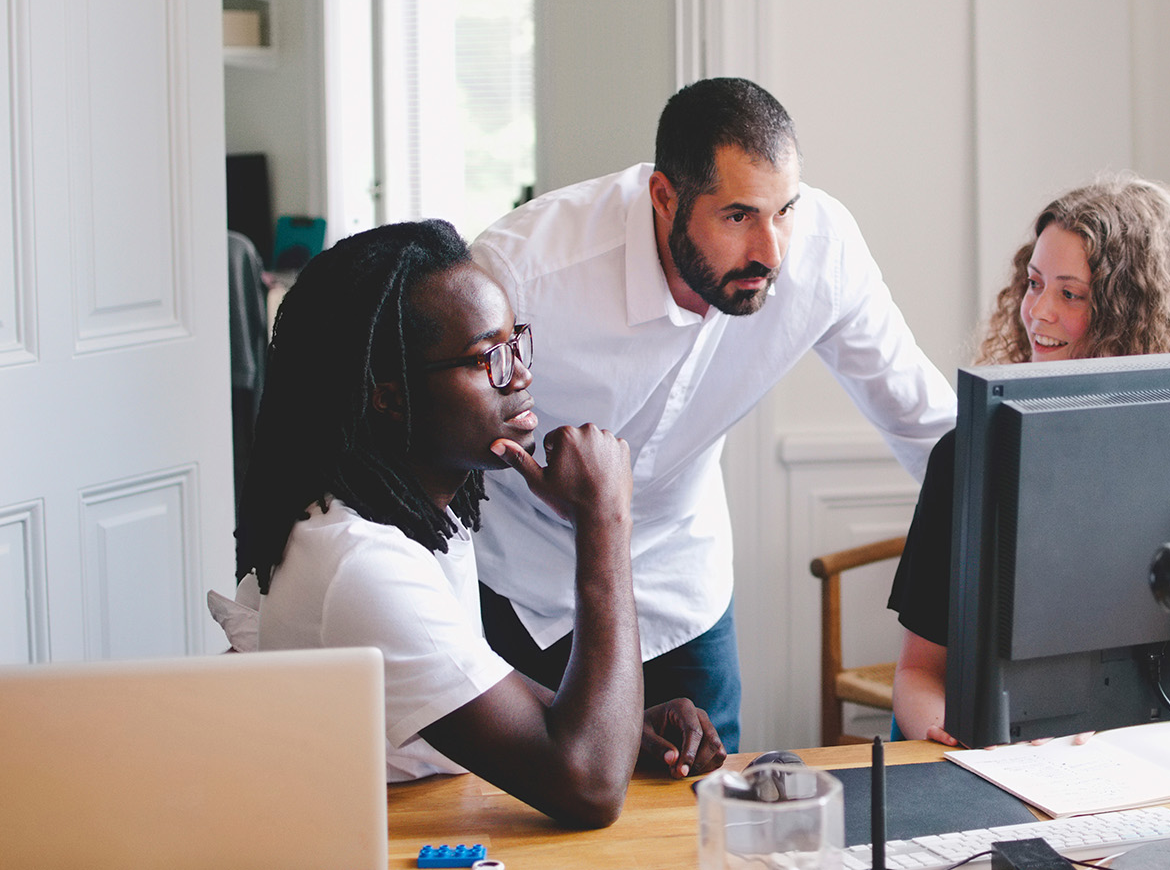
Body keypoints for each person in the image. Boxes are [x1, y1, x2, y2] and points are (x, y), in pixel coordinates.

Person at [469, 77, 957, 751]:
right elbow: (433, 450)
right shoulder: (524, 274)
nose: (772, 251)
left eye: (784, 209)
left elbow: (932, 431)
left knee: (703, 825)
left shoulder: (823, 252)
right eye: (738, 217)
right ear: (664, 197)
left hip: (679, 582)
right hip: (527, 586)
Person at [219, 219, 725, 829]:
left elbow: (476, 690)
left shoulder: (426, 517)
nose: (520, 375)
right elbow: (588, 786)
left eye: (518, 343)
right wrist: (605, 521)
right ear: (389, 395)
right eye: (489, 356)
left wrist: (629, 726)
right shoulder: (363, 564)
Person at [887, 174, 1170, 746]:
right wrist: (949, 730)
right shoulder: (969, 457)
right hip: (1003, 764)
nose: (1038, 313)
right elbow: (918, 673)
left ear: (1132, 316)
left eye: (1070, 294)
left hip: (1162, 761)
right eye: (1034, 284)